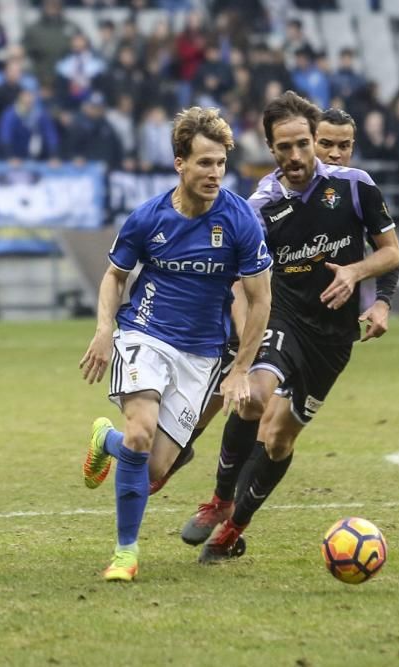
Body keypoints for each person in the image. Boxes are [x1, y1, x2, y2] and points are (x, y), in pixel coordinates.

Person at [180, 91, 399, 563]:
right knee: (254, 397)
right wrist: (243, 337)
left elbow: (391, 252)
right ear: (271, 149)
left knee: (279, 440)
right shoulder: (260, 206)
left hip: (334, 339)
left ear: (314, 142)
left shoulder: (356, 186)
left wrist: (356, 275)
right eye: (285, 148)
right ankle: (220, 498)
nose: (297, 156)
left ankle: (234, 528)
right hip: (283, 318)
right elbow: (241, 279)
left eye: (304, 144)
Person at [77, 106, 273, 582]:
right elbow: (114, 276)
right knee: (142, 433)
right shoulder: (147, 218)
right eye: (204, 162)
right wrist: (105, 329)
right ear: (179, 163)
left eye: (221, 163)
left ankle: (108, 440)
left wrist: (241, 367)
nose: (214, 173)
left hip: (201, 354)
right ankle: (125, 553)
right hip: (145, 333)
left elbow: (260, 297)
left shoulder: (240, 220)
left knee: (150, 470)